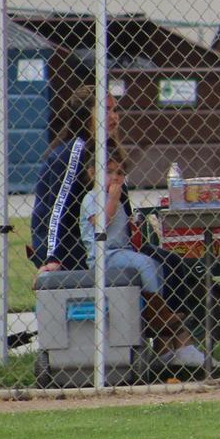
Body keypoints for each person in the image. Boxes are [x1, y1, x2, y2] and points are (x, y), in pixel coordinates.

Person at [80, 151, 208, 368]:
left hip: (119, 251)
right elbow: (100, 224)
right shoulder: (93, 197)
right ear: (92, 173)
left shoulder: (115, 198)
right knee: (145, 264)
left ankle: (159, 311)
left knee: (156, 265)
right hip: (104, 255)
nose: (115, 177)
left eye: (120, 173)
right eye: (109, 172)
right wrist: (112, 198)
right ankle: (156, 313)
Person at [30, 85, 110, 273]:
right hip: (68, 246)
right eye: (106, 110)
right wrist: (53, 257)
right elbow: (56, 209)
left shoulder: (107, 151)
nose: (114, 116)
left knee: (169, 261)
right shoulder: (73, 153)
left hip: (95, 238)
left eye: (115, 110)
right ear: (87, 116)